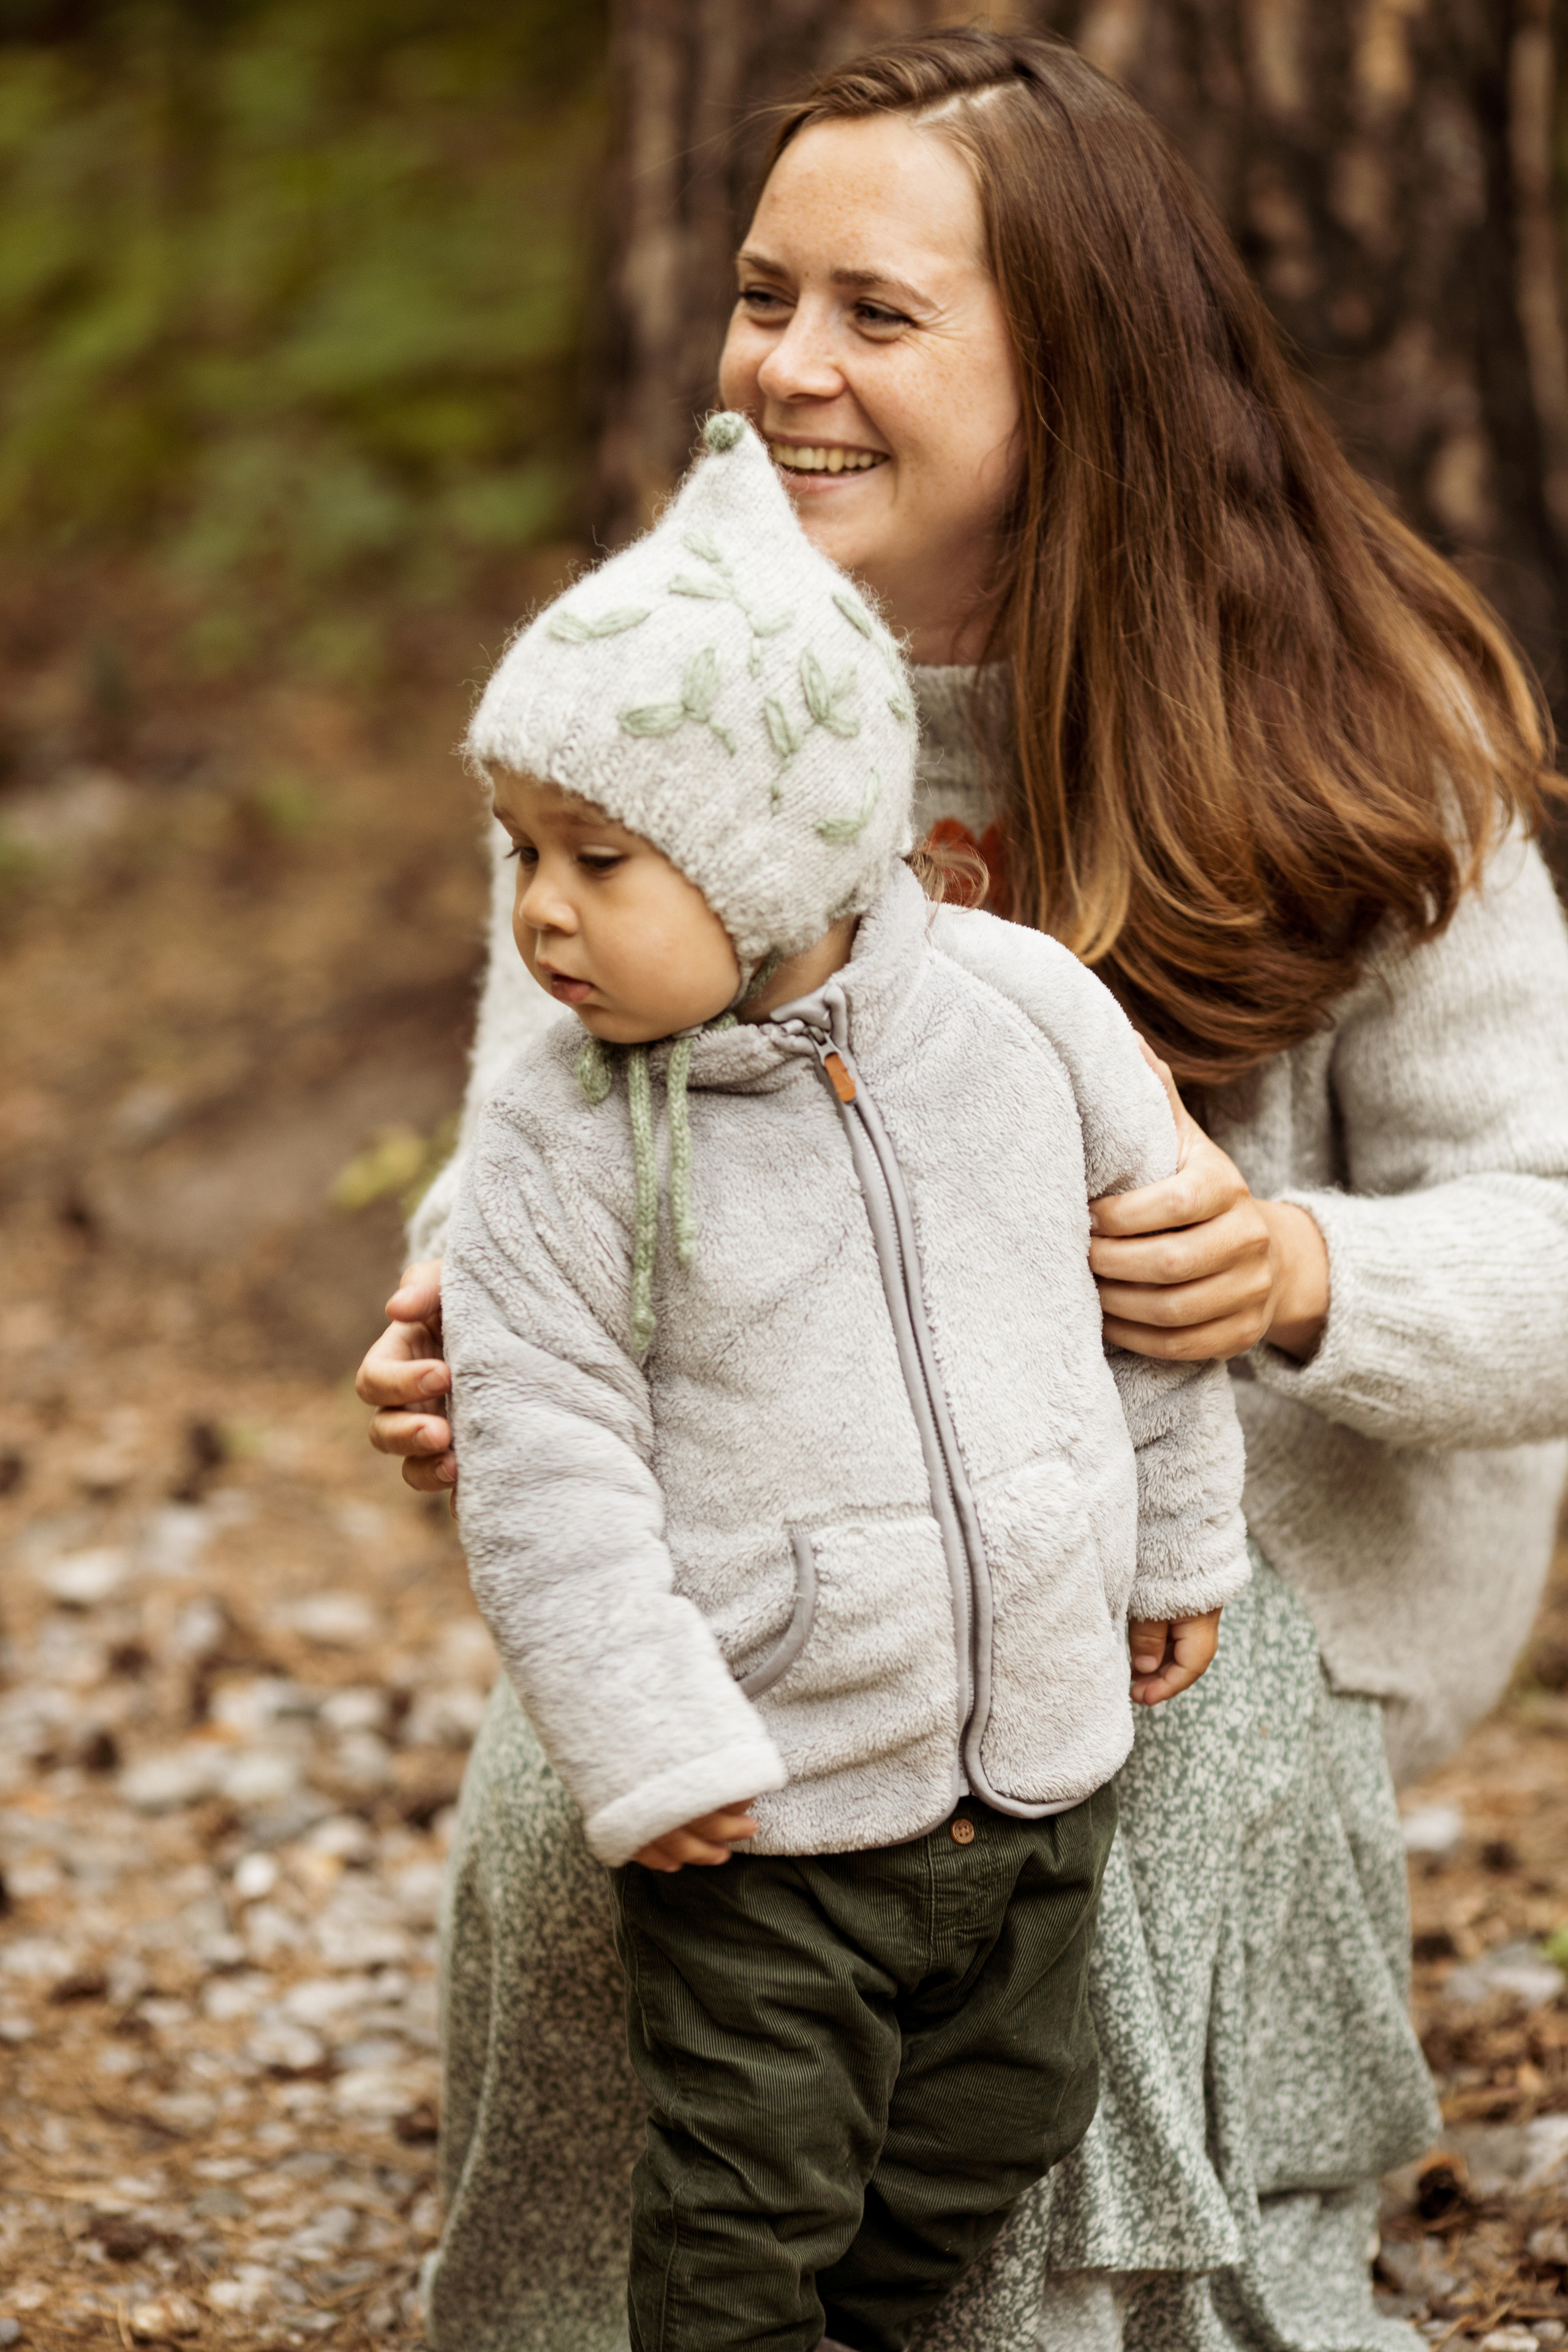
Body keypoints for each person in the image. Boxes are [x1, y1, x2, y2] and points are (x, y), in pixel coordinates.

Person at [357, 28, 1568, 2352]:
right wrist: (458, 1314)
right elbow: (535, 1129)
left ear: (1086, 374)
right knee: (596, 1790)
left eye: (876, 315)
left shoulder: (1362, 723)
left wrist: (1305, 1266)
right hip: (788, 1528)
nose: (779, 369)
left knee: (1035, 1828)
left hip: (1237, 1565)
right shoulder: (665, 694)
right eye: (759, 293)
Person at [441, 409, 1250, 2352]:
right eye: (520, 853)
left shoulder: (1029, 1016)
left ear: (777, 846)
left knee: (1000, 2130)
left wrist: (1176, 1544)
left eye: (597, 857)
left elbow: (1152, 1289)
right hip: (775, 1809)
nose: (539, 911)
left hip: (1039, 1756)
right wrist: (652, 1749)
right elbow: (541, 1464)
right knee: (748, 2204)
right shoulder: (557, 1136)